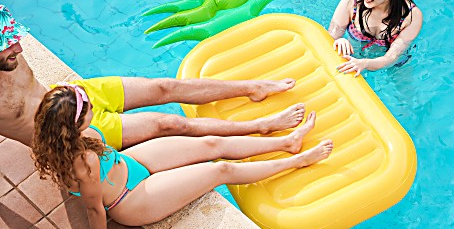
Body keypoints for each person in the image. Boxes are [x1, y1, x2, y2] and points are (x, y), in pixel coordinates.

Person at [0, 5, 305, 150]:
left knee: (165, 86)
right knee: (170, 124)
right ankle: (261, 126)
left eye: (13, 37)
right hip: (71, 131)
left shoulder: (10, 46)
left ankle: (252, 88)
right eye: (7, 46)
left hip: (71, 96)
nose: (18, 46)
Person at [32, 84, 333, 227]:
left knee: (210, 144)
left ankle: (287, 142)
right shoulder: (83, 163)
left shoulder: (66, 138)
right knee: (221, 170)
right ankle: (299, 159)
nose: (94, 112)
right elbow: (96, 210)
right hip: (130, 197)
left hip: (129, 165)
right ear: (71, 127)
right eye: (88, 112)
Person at [328, 0, 423, 76]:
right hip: (353, 57)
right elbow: (330, 37)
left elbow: (391, 57)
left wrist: (366, 63)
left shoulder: (411, 16)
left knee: (404, 91)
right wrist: (338, 40)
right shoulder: (351, 2)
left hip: (395, 65)